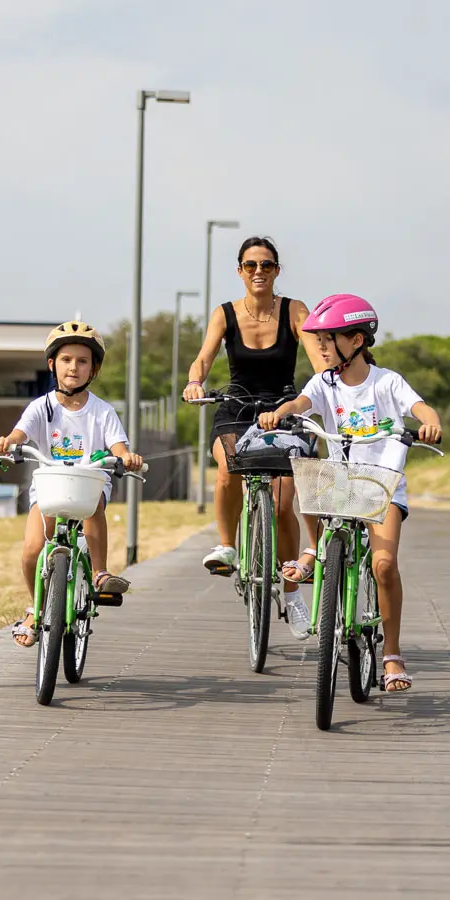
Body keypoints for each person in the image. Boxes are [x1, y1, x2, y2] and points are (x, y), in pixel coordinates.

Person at [260, 293, 442, 693]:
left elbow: (420, 408)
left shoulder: (387, 382)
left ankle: (391, 654)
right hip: (343, 485)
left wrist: (429, 422)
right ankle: (315, 548)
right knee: (307, 473)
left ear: (356, 340)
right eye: (319, 340)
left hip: (382, 484)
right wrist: (284, 412)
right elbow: (302, 401)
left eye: (328, 339)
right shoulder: (324, 383)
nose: (320, 347)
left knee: (382, 566)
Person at [181, 236, 323, 635]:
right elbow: (205, 356)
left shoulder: (295, 310)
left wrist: (324, 389)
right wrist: (195, 381)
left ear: (277, 270)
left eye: (266, 265)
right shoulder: (224, 314)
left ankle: (293, 594)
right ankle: (227, 544)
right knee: (228, 468)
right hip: (237, 407)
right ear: (240, 271)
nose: (258, 272)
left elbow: (316, 357)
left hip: (283, 408)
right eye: (250, 265)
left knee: (282, 505)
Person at [0, 321, 144, 647]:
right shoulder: (41, 407)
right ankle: (36, 608)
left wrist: (126, 456)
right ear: (52, 365)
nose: (74, 367)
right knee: (32, 550)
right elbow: (21, 433)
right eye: (66, 359)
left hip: (89, 481)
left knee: (93, 508)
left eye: (83, 361)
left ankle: (100, 572)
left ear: (94, 369)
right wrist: (8, 441)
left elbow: (118, 445)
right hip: (50, 485)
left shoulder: (102, 411)